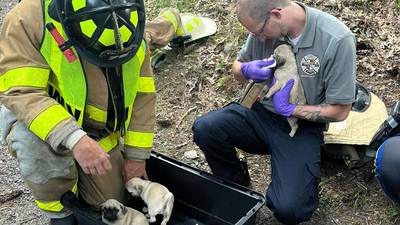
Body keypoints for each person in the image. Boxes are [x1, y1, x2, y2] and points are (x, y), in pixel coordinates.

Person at [0, 0, 183, 225]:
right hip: (43, 124)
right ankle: (60, 215)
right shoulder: (28, 18)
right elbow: (21, 91)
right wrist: (75, 139)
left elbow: (142, 96)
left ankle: (172, 21)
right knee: (30, 142)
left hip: (98, 131)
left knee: (112, 205)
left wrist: (136, 157)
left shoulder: (129, 21)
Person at [192, 0, 356, 224]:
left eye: (259, 32)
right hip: (259, 113)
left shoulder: (335, 39)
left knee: (290, 209)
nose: (259, 38)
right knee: (206, 128)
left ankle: (295, 182)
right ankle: (237, 185)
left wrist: (292, 109)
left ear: (277, 14)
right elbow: (237, 67)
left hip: (299, 127)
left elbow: (340, 111)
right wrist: (245, 70)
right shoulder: (263, 28)